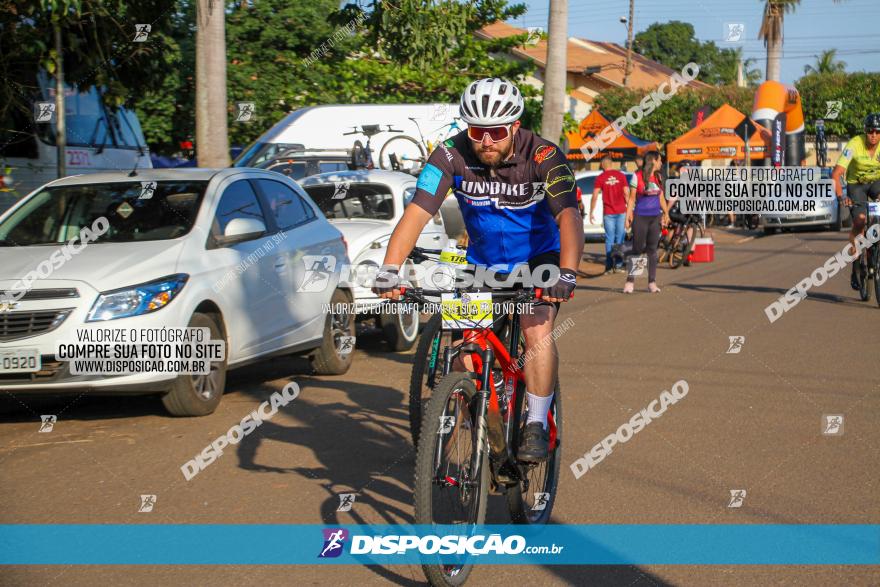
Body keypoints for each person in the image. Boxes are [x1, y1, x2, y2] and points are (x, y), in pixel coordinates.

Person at [373, 78, 583, 462]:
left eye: (497, 132)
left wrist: (567, 273)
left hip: (538, 258)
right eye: (477, 131)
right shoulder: (450, 155)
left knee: (536, 324)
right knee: (463, 351)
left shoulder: (544, 156)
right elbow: (417, 212)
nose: (486, 141)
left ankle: (535, 422)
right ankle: (486, 422)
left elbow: (568, 215)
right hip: (482, 263)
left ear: (515, 126)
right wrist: (390, 268)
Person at [832, 113, 880, 290]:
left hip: (876, 183)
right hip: (856, 185)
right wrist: (841, 197)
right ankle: (856, 265)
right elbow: (836, 174)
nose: (873, 135)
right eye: (870, 131)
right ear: (865, 132)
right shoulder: (854, 144)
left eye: (877, 131)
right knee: (860, 220)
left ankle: (876, 247)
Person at [624, 151, 670, 293]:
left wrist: (666, 213)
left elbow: (661, 196)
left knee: (652, 250)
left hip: (655, 217)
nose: (661, 163)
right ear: (653, 161)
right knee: (637, 249)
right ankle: (630, 282)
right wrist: (628, 216)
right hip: (640, 217)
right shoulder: (636, 176)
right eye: (660, 160)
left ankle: (652, 282)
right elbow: (631, 199)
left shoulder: (658, 177)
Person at [590, 155, 628, 272]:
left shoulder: (600, 177)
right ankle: (619, 264)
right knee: (620, 239)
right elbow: (626, 193)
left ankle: (609, 266)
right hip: (621, 211)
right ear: (612, 164)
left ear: (602, 165)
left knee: (609, 239)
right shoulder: (621, 175)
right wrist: (630, 211)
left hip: (608, 213)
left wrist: (591, 211)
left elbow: (595, 196)